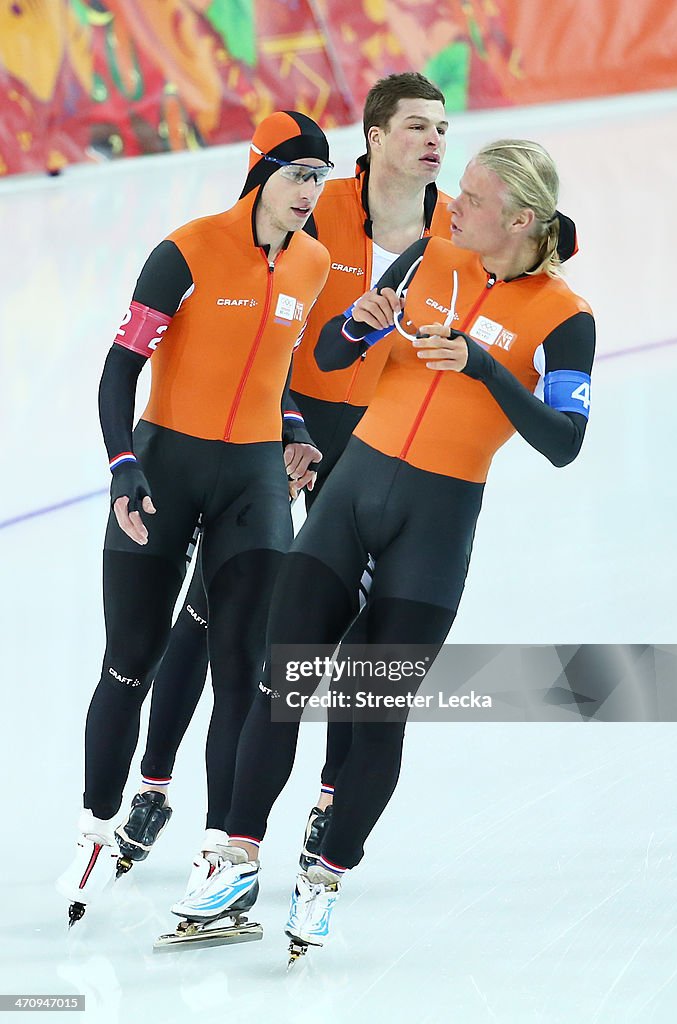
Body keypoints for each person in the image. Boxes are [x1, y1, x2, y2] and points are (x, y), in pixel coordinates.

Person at [171, 138, 596, 957]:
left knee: (372, 716)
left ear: (515, 219)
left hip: (431, 535)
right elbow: (329, 352)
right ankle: (236, 855)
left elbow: (565, 442)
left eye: (468, 198)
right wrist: (355, 324)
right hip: (349, 502)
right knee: (281, 679)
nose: (451, 206)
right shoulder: (425, 258)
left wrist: (486, 368)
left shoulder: (563, 316)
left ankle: (325, 877)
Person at [115, 73, 456, 884]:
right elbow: (263, 319)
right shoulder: (317, 204)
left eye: (442, 128)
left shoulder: (456, 227)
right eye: (415, 127)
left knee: (355, 631)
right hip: (287, 427)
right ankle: (155, 785)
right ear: (375, 138)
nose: (434, 141)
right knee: (216, 612)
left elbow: (528, 244)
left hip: (386, 445)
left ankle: (332, 797)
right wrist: (285, 423)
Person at [56, 110, 334, 923]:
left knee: (244, 670)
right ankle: (97, 824)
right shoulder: (183, 251)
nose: (308, 195)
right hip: (165, 470)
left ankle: (223, 851)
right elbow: (119, 370)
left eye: (318, 180)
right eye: (296, 176)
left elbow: (273, 369)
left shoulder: (313, 264)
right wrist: (122, 467)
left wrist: (295, 428)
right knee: (130, 660)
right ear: (259, 172)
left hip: (252, 479)